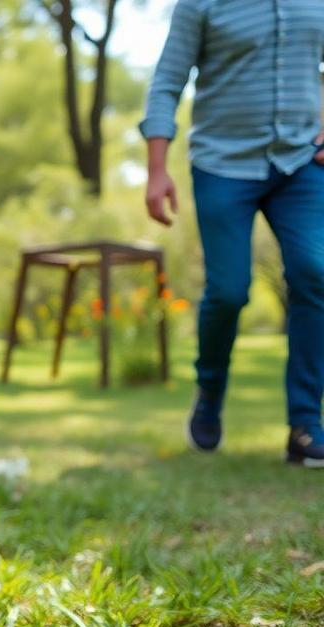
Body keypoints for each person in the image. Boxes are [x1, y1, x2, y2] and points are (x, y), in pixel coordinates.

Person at [141, 1, 324, 467]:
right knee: (227, 291)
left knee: (314, 273)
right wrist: (158, 170)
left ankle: (305, 425)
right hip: (222, 164)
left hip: (301, 162)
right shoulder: (201, 4)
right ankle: (210, 390)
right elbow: (166, 82)